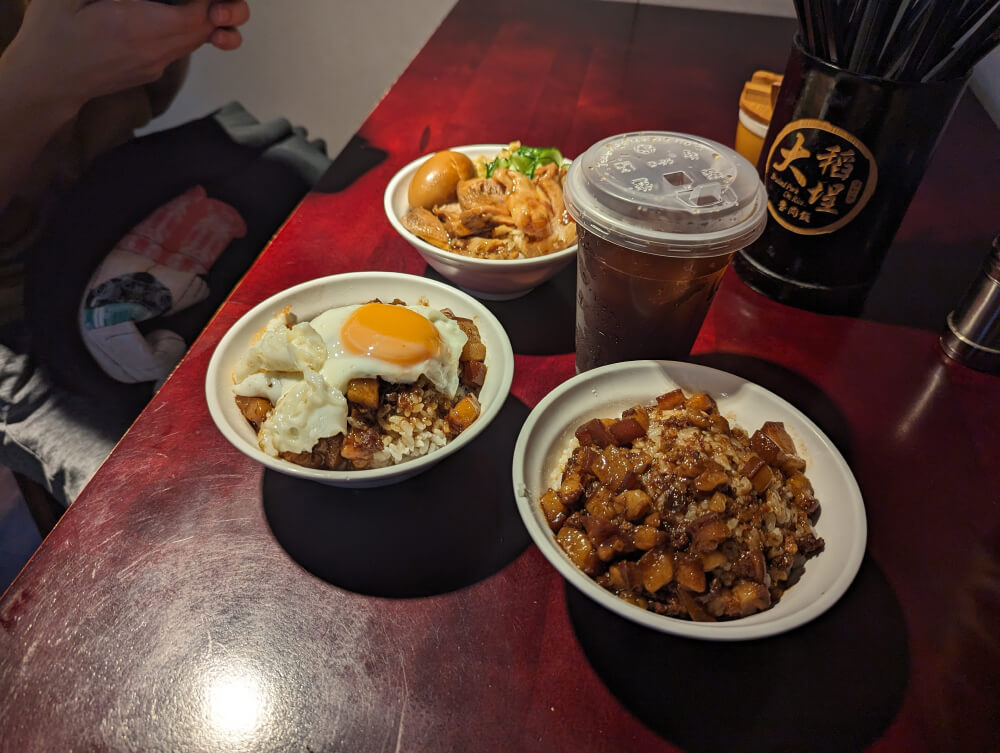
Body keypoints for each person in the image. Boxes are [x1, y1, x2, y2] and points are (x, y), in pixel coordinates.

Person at [0, 0, 252, 506]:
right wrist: (40, 79)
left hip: (110, 198)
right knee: (188, 506)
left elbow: (138, 98)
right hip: (13, 314)